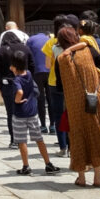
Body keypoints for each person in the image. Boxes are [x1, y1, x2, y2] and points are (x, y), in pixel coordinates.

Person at [55, 27, 100, 187]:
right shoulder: (89, 50)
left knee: (78, 136)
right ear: (75, 37)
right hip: (95, 98)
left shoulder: (60, 59)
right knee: (97, 134)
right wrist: (97, 79)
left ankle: (81, 177)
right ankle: (98, 177)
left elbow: (59, 87)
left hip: (75, 105)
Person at [10, 51, 59, 175]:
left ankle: (26, 166)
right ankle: (48, 164)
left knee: (22, 141)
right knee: (39, 139)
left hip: (20, 113)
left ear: (15, 66)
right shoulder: (29, 74)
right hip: (32, 112)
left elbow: (19, 92)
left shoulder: (16, 80)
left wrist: (17, 100)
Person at [0, 23, 35, 147]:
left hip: (8, 83)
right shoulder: (25, 48)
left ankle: (14, 139)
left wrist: (0, 86)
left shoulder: (2, 50)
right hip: (24, 82)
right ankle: (24, 138)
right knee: (24, 110)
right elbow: (32, 65)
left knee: (10, 113)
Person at [42, 15, 71, 156]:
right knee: (72, 114)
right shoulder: (75, 42)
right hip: (71, 83)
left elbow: (47, 65)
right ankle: (73, 147)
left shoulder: (51, 43)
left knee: (59, 115)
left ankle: (63, 147)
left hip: (54, 82)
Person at [26, 28, 52, 134]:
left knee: (40, 99)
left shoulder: (31, 40)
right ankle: (53, 125)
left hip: (37, 72)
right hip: (50, 72)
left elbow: (28, 56)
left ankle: (43, 125)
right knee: (51, 99)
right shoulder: (50, 40)